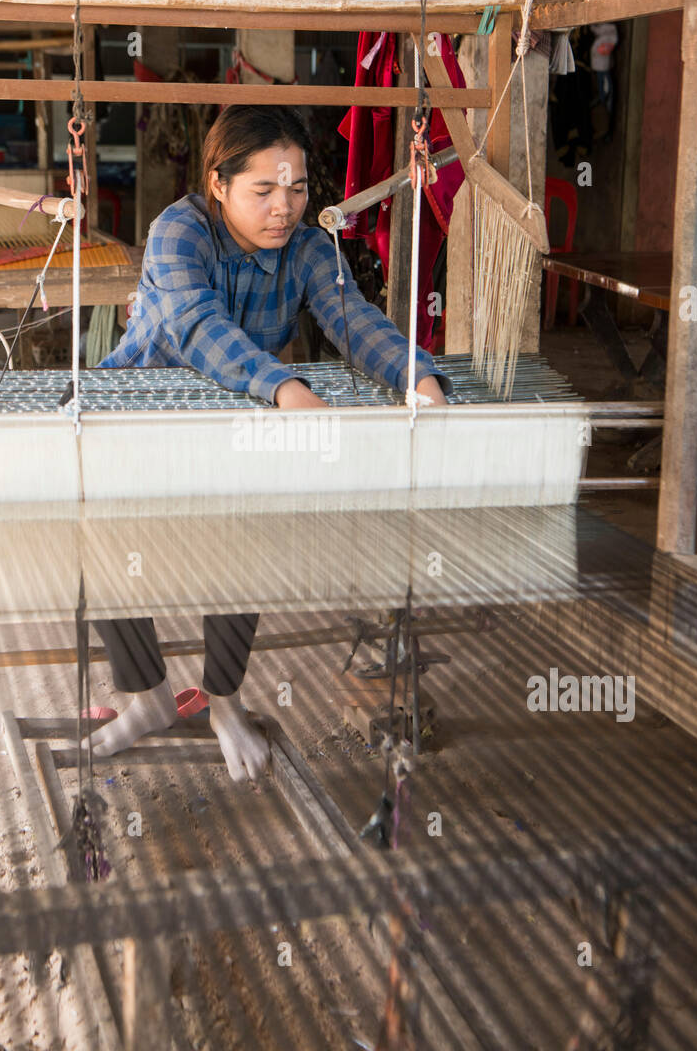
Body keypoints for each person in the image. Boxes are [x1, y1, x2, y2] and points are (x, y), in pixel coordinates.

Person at [91, 105, 451, 782]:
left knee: (241, 547)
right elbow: (199, 328)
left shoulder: (309, 248)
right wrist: (285, 388)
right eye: (263, 191)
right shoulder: (178, 232)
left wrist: (419, 377)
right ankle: (147, 698)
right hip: (144, 409)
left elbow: (354, 319)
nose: (283, 209)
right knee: (102, 539)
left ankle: (224, 702)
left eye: (297, 189)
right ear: (219, 185)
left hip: (241, 414)